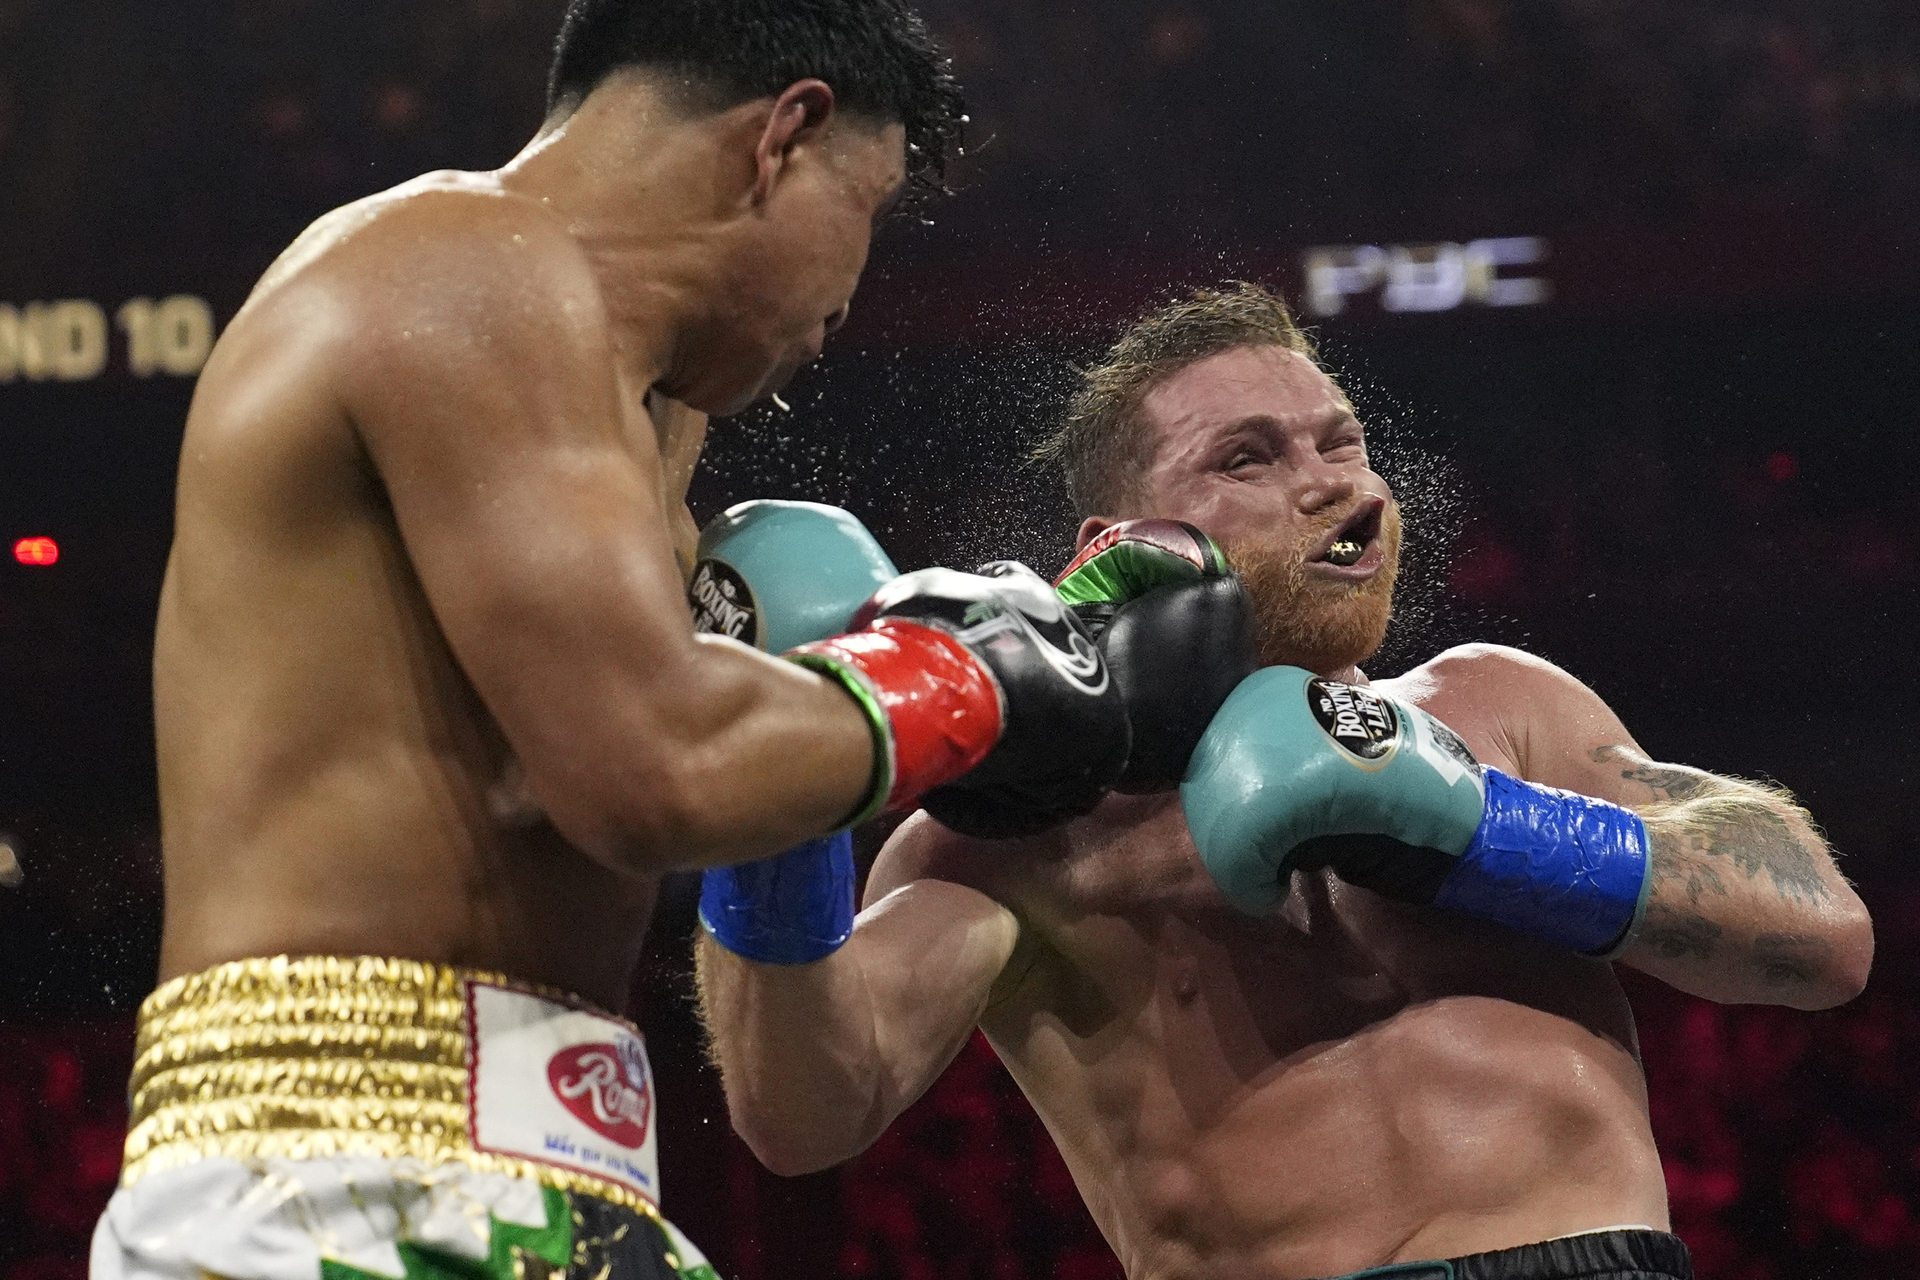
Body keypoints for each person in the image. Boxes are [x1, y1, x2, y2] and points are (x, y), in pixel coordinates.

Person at [91, 5, 1138, 1279]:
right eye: (865, 209)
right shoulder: (463, 261)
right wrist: (978, 674)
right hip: (334, 1168)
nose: (848, 302)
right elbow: (658, 768)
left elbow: (615, 772)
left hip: (544, 1172)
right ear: (783, 137)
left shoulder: (635, 410)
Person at [695, 284, 1875, 1280]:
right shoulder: (1022, 834)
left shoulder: (1496, 703)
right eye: (1248, 456)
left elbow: (1823, 935)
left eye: (1341, 441)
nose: (1327, 482)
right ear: (1120, 541)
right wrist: (780, 789)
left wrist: (1474, 822)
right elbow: (804, 1111)